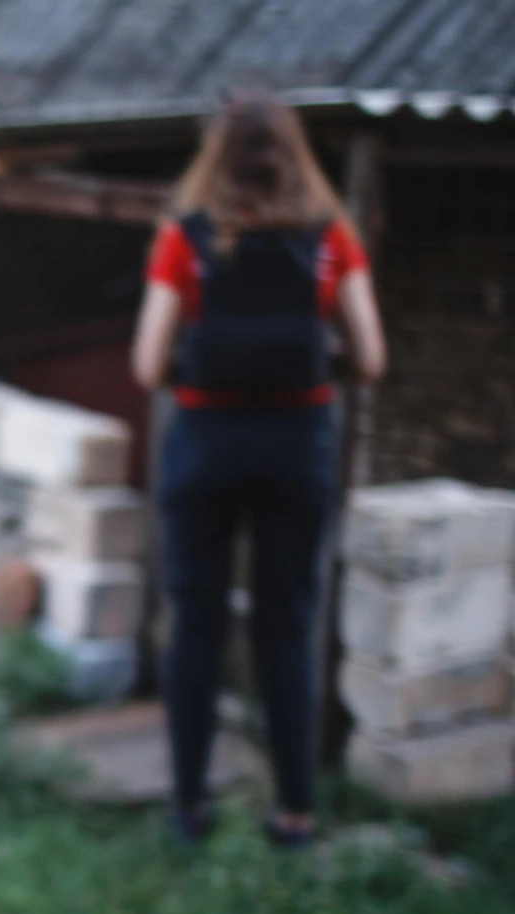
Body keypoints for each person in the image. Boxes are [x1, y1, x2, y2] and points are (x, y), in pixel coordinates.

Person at [132, 93, 387, 850]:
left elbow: (148, 363)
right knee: (287, 625)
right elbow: (371, 358)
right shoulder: (330, 239)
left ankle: (187, 806)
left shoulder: (189, 239)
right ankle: (296, 812)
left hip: (206, 444)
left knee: (197, 624)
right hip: (297, 446)